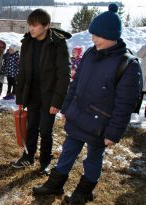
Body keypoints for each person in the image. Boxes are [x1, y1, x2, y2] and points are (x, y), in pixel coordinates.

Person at [32, 4, 142, 204]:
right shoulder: (91, 53)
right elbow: (76, 84)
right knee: (68, 150)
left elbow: (125, 104)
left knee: (93, 158)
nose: (94, 39)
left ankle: (83, 192)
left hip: (101, 125)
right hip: (78, 116)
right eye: (93, 35)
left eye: (99, 36)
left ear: (112, 36)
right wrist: (66, 107)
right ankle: (55, 184)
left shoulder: (127, 65)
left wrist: (113, 133)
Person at [12, 8, 71, 174]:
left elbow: (64, 75)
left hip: (49, 96)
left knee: (45, 130)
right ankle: (28, 157)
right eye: (29, 24)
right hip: (32, 94)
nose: (31, 28)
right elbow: (22, 71)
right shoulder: (27, 42)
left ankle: (45, 162)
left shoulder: (58, 44)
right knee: (31, 128)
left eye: (35, 25)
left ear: (46, 26)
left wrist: (57, 101)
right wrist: (21, 96)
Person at [137, 44, 146, 117]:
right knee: (138, 96)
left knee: (139, 95)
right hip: (143, 76)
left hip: (143, 76)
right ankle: (135, 114)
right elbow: (139, 54)